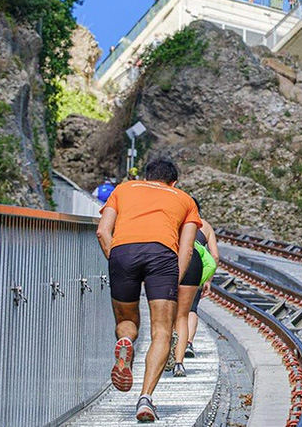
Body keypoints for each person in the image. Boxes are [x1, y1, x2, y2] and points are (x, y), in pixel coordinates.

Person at [96, 157, 201, 422]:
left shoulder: (124, 189)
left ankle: (126, 342)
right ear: (174, 182)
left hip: (122, 251)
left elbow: (102, 231)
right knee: (162, 331)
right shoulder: (185, 200)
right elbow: (187, 247)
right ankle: (145, 399)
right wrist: (172, 281)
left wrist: (117, 260)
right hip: (161, 254)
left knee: (127, 321)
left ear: (145, 178)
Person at [171, 197, 219, 376]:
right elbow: (214, 256)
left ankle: (169, 347)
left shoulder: (175, 221)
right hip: (196, 268)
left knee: (169, 312)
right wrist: (208, 280)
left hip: (174, 263)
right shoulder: (205, 226)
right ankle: (185, 350)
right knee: (189, 311)